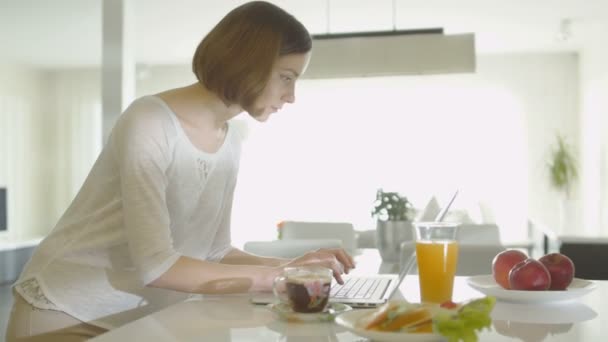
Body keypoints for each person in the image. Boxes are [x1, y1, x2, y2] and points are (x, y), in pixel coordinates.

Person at [6, 2, 354, 341]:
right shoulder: (150, 121)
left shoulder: (231, 139)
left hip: (138, 319)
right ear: (249, 62)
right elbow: (156, 265)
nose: (291, 96)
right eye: (286, 77)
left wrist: (295, 266)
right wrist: (285, 277)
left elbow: (214, 251)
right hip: (66, 313)